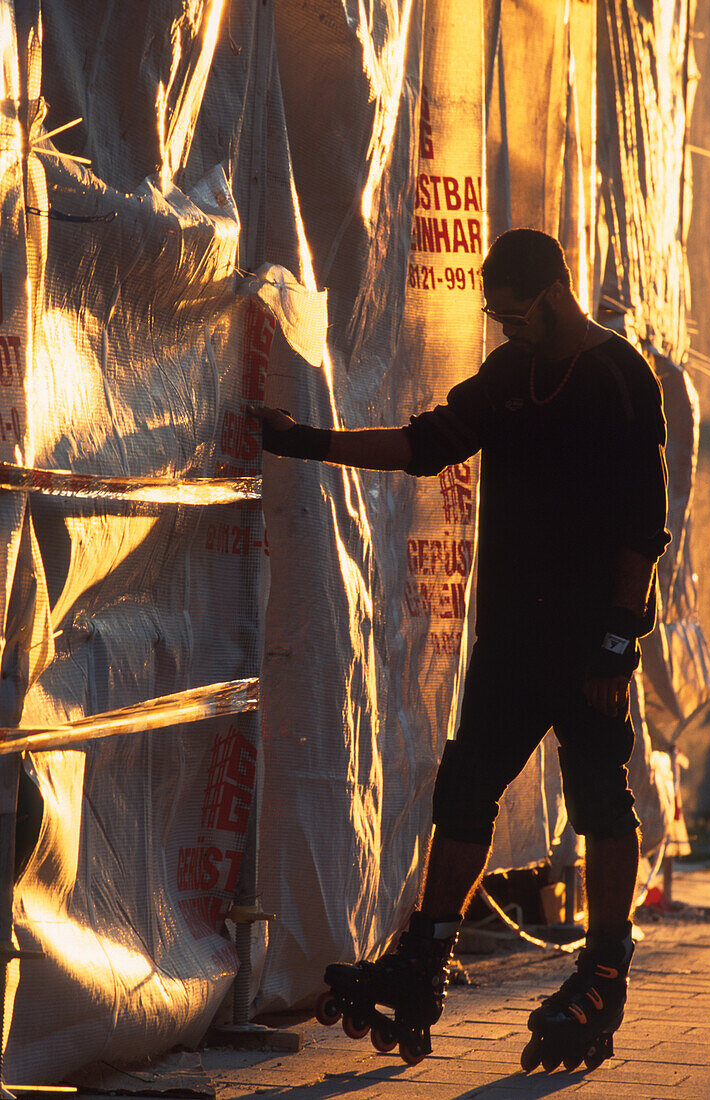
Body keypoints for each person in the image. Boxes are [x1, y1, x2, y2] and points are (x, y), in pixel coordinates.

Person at [249, 228, 670, 1070]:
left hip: (588, 640)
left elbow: (640, 528)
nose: (507, 330)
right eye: (497, 318)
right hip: (511, 633)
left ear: (554, 292)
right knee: (464, 789)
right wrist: (309, 444)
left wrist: (618, 643)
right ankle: (424, 956)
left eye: (517, 316)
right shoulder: (509, 376)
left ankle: (603, 965)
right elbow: (424, 442)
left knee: (596, 798)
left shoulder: (620, 378)